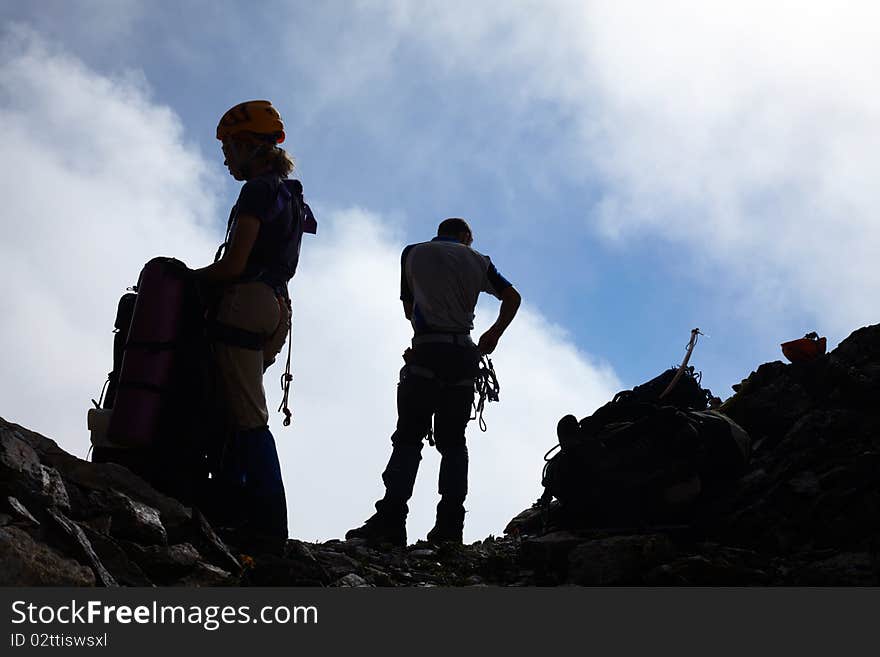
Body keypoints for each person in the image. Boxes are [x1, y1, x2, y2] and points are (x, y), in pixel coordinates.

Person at [346, 218, 521, 546]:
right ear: (466, 237)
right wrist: (493, 334)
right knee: (453, 443)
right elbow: (512, 297)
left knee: (409, 438)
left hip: (426, 351)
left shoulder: (412, 253)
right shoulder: (479, 261)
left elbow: (409, 308)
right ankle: (450, 528)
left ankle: (391, 520)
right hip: (462, 356)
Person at [193, 100, 317, 544]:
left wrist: (183, 277)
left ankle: (266, 528)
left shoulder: (258, 190)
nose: (225, 157)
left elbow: (233, 265)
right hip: (277, 310)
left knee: (246, 417)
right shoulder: (289, 193)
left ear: (248, 144)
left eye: (228, 146)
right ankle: (232, 510)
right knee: (235, 407)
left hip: (246, 302)